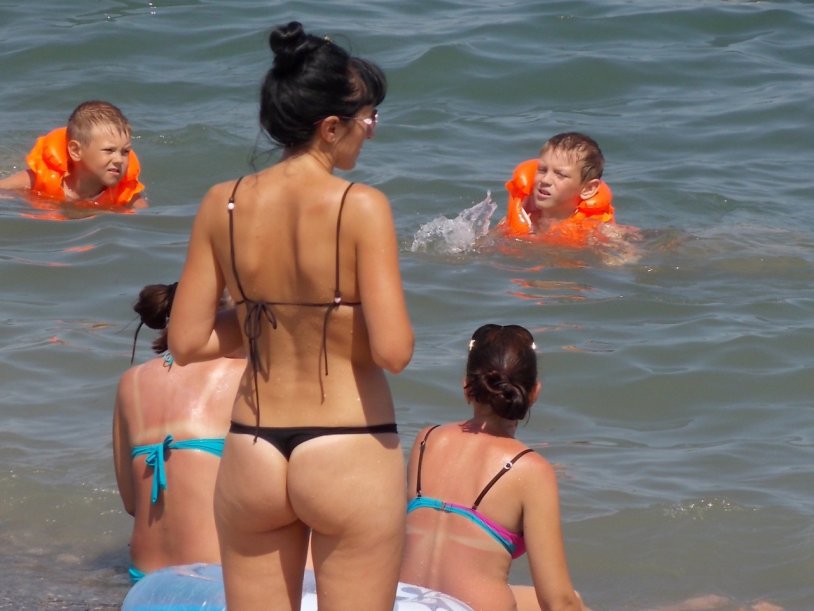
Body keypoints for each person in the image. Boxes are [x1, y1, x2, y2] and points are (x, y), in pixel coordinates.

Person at [167, 21, 413, 611]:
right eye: (367, 119)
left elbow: (187, 342)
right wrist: (325, 321)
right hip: (348, 445)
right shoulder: (361, 206)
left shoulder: (222, 202)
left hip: (253, 448)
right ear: (330, 127)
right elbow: (393, 352)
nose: (370, 133)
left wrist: (268, 315)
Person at [400, 324, 589, 611]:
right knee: (572, 601)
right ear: (534, 392)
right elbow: (558, 601)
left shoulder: (426, 440)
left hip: (403, 602)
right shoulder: (531, 470)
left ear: (467, 386)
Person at [112, 283, 244, 583]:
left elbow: (131, 503)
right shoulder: (245, 376)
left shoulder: (131, 381)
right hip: (216, 579)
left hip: (145, 579)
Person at [0, 100, 147, 210]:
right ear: (76, 151)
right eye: (109, 150)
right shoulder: (36, 180)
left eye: (125, 152)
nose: (119, 160)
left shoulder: (128, 197)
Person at [499, 132, 615, 247]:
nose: (545, 180)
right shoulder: (521, 216)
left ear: (588, 189)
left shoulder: (597, 232)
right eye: (542, 170)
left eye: (560, 174)